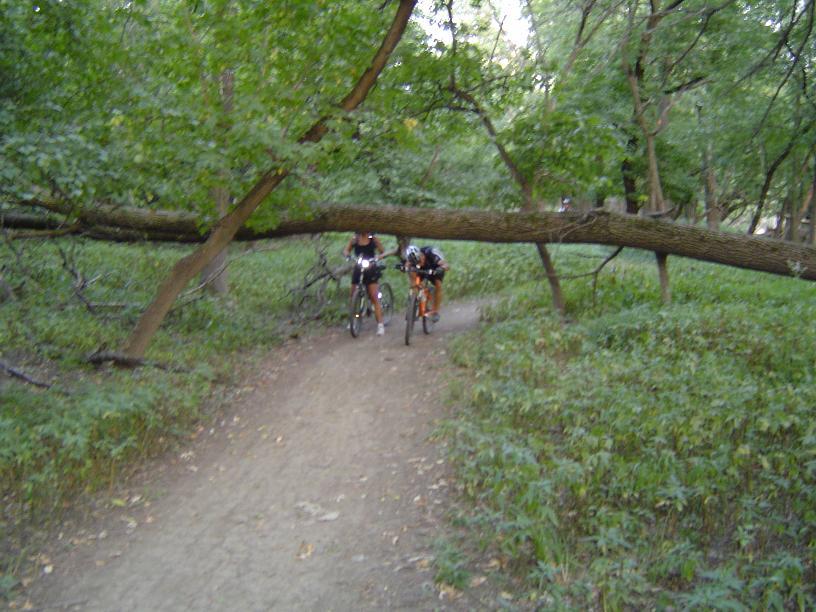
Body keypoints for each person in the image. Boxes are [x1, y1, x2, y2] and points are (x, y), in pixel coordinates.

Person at [343, 231, 386, 335]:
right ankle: (353, 320)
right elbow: (346, 250)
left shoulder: (373, 239)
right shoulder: (355, 239)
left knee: (373, 296)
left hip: (371, 268)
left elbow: (382, 251)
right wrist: (348, 255)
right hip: (358, 267)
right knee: (353, 294)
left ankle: (380, 325)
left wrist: (378, 257)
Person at [403, 244, 449, 322]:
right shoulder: (412, 258)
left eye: (420, 261)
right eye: (417, 262)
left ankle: (435, 311)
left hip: (434, 267)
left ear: (421, 255)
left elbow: (446, 265)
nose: (419, 263)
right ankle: (413, 303)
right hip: (422, 270)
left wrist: (441, 268)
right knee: (412, 273)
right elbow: (407, 266)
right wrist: (404, 268)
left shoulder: (431, 254)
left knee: (438, 284)